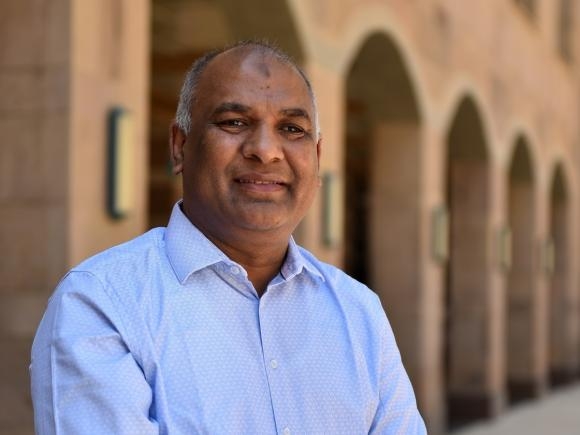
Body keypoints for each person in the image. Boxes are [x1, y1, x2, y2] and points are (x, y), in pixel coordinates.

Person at [30, 40, 426, 434]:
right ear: (180, 146)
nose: (266, 151)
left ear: (317, 158)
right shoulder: (102, 304)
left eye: (292, 129)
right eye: (235, 122)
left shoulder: (358, 312)